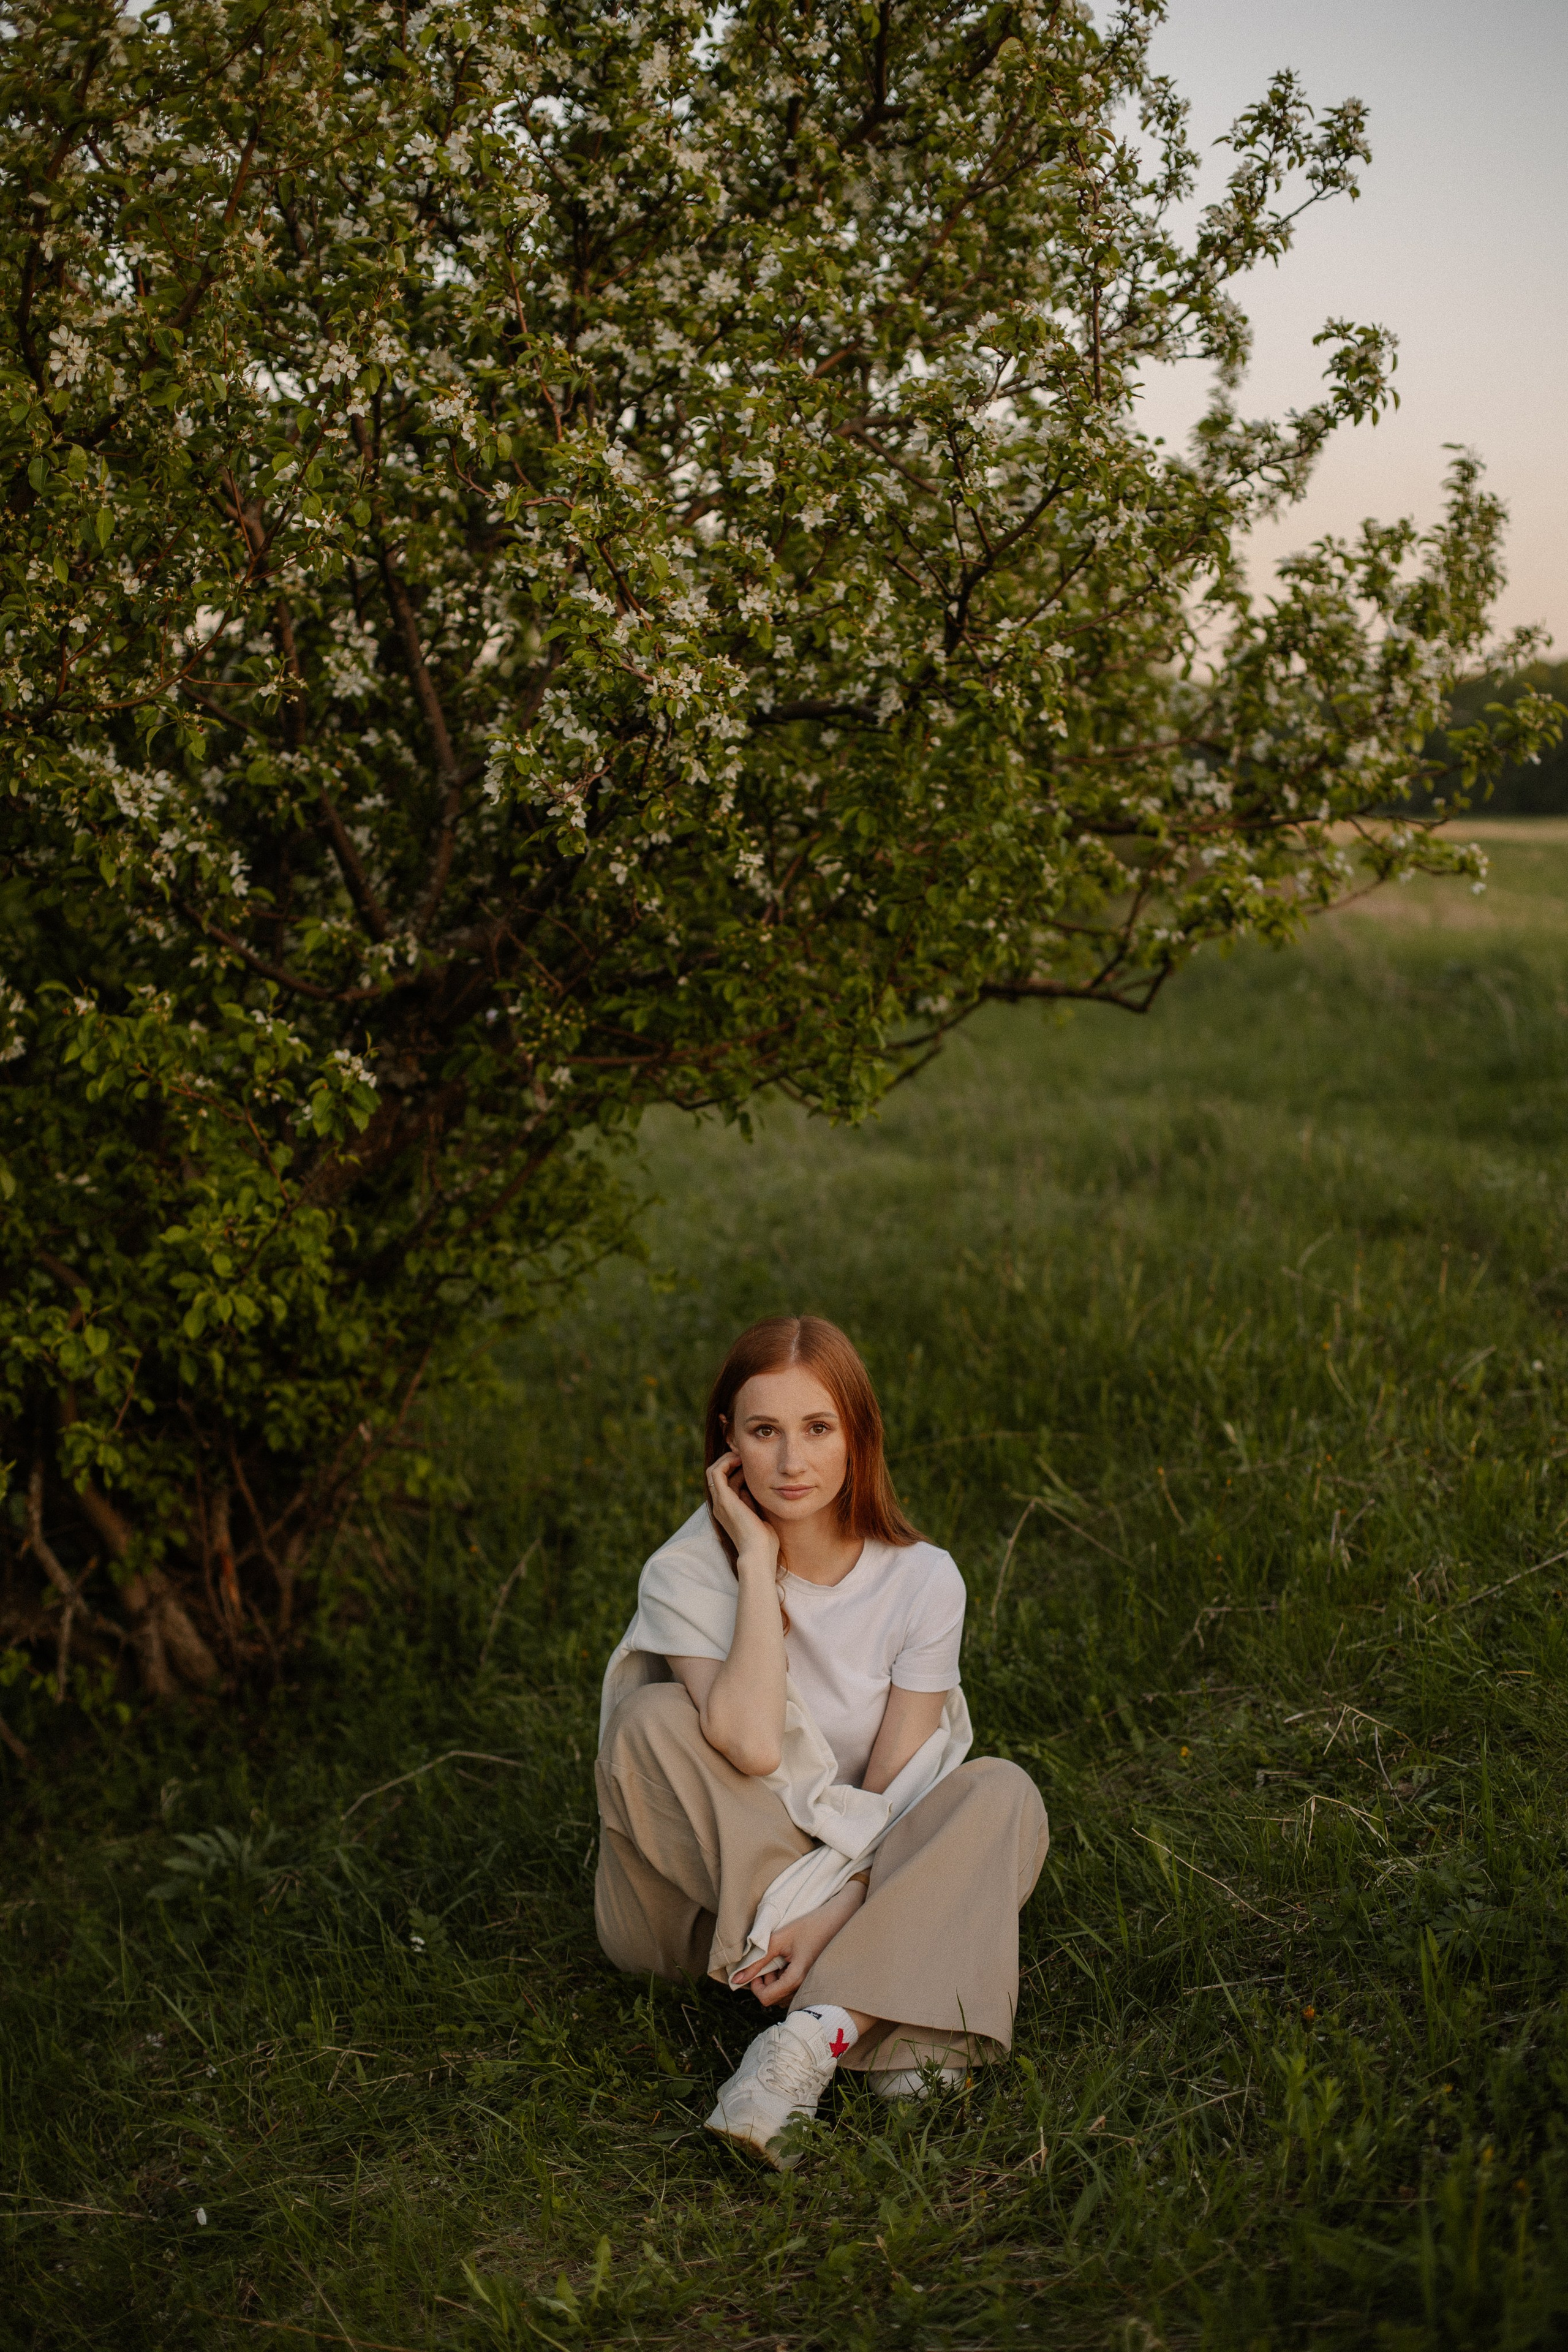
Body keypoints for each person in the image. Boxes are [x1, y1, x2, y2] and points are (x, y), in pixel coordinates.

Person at [594, 1314, 1050, 2169]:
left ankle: (810, 2035)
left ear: (858, 1436)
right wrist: (757, 1561)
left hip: (834, 1878)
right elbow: (750, 1742)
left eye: (817, 1429)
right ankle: (901, 2008)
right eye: (763, 1432)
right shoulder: (686, 1574)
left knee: (1003, 1794)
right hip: (695, 1905)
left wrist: (833, 1908)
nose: (791, 1463)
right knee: (650, 1721)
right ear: (726, 1443)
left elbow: (894, 1797)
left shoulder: (921, 1581)